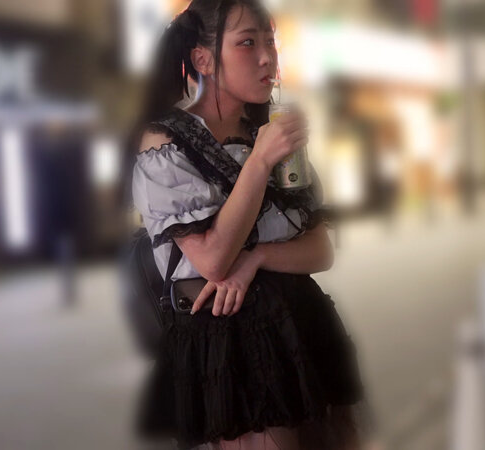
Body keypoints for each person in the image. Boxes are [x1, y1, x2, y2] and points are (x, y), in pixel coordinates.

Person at [127, 1, 373, 448]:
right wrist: (260, 160)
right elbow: (213, 259)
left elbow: (320, 250)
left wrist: (257, 257)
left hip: (303, 329)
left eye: (270, 42)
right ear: (203, 59)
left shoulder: (271, 131)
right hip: (230, 345)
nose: (266, 57)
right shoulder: (166, 143)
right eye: (247, 43)